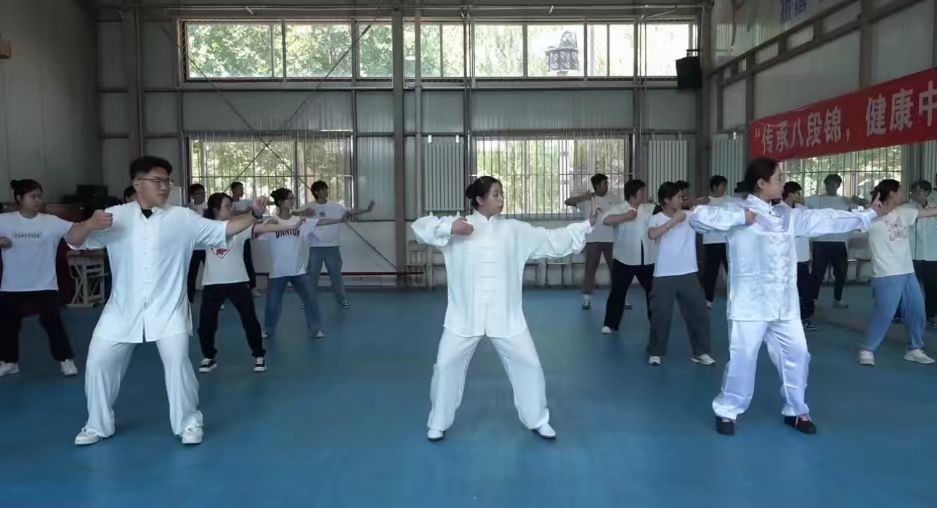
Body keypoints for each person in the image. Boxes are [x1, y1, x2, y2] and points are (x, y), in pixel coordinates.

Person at [66, 156, 266, 447]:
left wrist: (254, 214)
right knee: (98, 362)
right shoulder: (114, 216)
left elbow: (223, 230)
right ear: (138, 184)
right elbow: (73, 240)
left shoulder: (182, 219)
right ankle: (98, 424)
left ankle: (189, 422)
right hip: (121, 310)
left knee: (177, 364)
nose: (164, 187)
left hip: (169, 309)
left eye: (167, 181)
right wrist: (88, 224)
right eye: (157, 181)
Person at [689, 158, 881, 436]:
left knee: (798, 355)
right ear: (761, 183)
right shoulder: (737, 210)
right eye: (778, 178)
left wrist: (867, 215)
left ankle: (796, 410)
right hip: (750, 305)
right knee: (743, 359)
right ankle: (727, 410)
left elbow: (824, 219)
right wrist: (740, 218)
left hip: (785, 306)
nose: (783, 182)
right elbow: (697, 218)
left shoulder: (786, 215)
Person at [412, 176, 596, 442]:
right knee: (445, 366)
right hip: (464, 316)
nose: (501, 199)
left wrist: (586, 225)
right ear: (479, 200)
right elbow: (420, 227)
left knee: (529, 365)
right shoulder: (460, 226)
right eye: (495, 194)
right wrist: (449, 227)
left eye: (501, 194)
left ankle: (537, 420)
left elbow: (550, 239)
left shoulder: (513, 230)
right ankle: (438, 422)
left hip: (506, 315)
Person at [196, 192, 303, 374]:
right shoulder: (205, 229)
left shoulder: (240, 228)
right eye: (227, 206)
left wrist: (291, 226)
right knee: (206, 324)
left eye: (231, 205)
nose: (231, 209)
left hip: (238, 282)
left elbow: (264, 228)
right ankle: (208, 357)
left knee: (249, 320)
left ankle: (259, 356)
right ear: (215, 210)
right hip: (213, 283)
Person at [0, 179, 79, 378]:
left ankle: (65, 360)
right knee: (8, 326)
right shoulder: (4, 220)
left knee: (53, 324)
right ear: (19, 198)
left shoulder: (51, 222)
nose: (37, 200)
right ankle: (9, 362)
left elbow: (76, 230)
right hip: (12, 285)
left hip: (44, 284)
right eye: (32, 196)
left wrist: (96, 223)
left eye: (39, 196)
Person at [857, 179, 937, 367]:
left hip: (907, 271)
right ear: (892, 193)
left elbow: (930, 212)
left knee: (917, 311)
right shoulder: (872, 216)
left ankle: (914, 348)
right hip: (886, 272)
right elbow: (856, 225)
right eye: (900, 191)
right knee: (885, 313)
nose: (903, 194)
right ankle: (867, 349)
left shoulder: (904, 212)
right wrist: (869, 209)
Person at [645, 182, 715, 367]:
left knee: (698, 313)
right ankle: (655, 352)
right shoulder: (656, 218)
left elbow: (708, 217)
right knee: (661, 315)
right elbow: (652, 234)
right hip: (663, 275)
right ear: (667, 200)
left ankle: (700, 352)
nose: (681, 200)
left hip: (688, 273)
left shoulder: (690, 216)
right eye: (677, 197)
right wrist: (673, 222)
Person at [262, 188, 343, 340]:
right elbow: (256, 232)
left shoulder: (298, 221)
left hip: (297, 270)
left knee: (311, 298)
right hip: (278, 271)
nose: (292, 201)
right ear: (280, 202)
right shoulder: (271, 222)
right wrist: (265, 224)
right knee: (273, 303)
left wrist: (338, 219)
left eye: (293, 198)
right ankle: (268, 329)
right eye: (289, 198)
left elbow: (320, 221)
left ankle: (315, 328)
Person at [296, 181, 374, 309]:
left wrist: (366, 210)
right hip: (315, 247)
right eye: (323, 189)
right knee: (312, 276)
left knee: (336, 275)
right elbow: (294, 214)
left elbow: (350, 211)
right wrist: (303, 213)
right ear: (316, 192)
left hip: (333, 246)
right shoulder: (309, 207)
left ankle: (342, 299)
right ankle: (308, 300)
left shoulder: (335, 206)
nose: (326, 191)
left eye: (326, 189)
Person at [600, 179, 657, 335]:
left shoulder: (649, 208)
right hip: (624, 259)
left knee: (653, 293)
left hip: (647, 259)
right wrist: (626, 216)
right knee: (618, 292)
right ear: (633, 193)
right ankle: (610, 324)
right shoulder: (619, 208)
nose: (644, 194)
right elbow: (605, 220)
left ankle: (656, 322)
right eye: (642, 191)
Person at [564, 173, 620, 310]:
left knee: (616, 270)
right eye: (604, 183)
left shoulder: (613, 199)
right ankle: (586, 298)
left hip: (610, 239)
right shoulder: (587, 200)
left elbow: (626, 208)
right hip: (592, 240)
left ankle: (621, 297)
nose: (607, 186)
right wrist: (583, 196)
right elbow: (567, 202)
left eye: (607, 183)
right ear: (597, 186)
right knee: (590, 269)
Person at [806, 174, 853, 309]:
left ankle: (838, 298)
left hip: (839, 241)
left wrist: (857, 201)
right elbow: (800, 203)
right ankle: (814, 298)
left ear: (838, 186)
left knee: (841, 272)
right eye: (829, 184)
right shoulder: (815, 199)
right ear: (825, 185)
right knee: (817, 273)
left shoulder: (844, 201)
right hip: (821, 241)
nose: (831, 187)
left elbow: (860, 208)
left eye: (834, 184)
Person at [780, 182, 817, 332]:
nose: (799, 196)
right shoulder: (778, 210)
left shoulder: (803, 210)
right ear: (790, 193)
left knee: (805, 291)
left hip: (802, 257)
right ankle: (786, 319)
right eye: (797, 193)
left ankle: (805, 317)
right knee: (786, 291)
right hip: (785, 259)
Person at [906, 180, 937, 328]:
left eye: (919, 191)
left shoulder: (934, 206)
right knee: (911, 286)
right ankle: (908, 314)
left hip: (932, 254)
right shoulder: (907, 207)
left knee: (932, 286)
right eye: (914, 191)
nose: (915, 194)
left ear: (926, 192)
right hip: (913, 254)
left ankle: (932, 314)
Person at [699, 175, 730, 310]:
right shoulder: (704, 201)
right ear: (714, 187)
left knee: (731, 271)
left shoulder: (729, 200)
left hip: (727, 241)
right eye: (722, 186)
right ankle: (708, 299)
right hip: (711, 241)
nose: (724, 189)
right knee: (711, 272)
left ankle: (735, 298)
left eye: (725, 186)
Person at [229, 181, 260, 296]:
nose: (242, 191)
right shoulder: (228, 203)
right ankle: (233, 288)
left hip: (244, 235)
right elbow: (230, 213)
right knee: (232, 262)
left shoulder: (246, 202)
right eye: (239, 189)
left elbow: (254, 210)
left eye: (242, 189)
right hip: (231, 236)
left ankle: (253, 287)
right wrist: (244, 212)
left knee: (247, 261)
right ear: (233, 190)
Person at [186, 183, 208, 303]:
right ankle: (189, 298)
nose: (202, 195)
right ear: (192, 195)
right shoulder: (186, 208)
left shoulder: (209, 208)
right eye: (199, 193)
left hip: (207, 246)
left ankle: (215, 299)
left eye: (203, 193)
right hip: (193, 247)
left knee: (211, 272)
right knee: (191, 274)